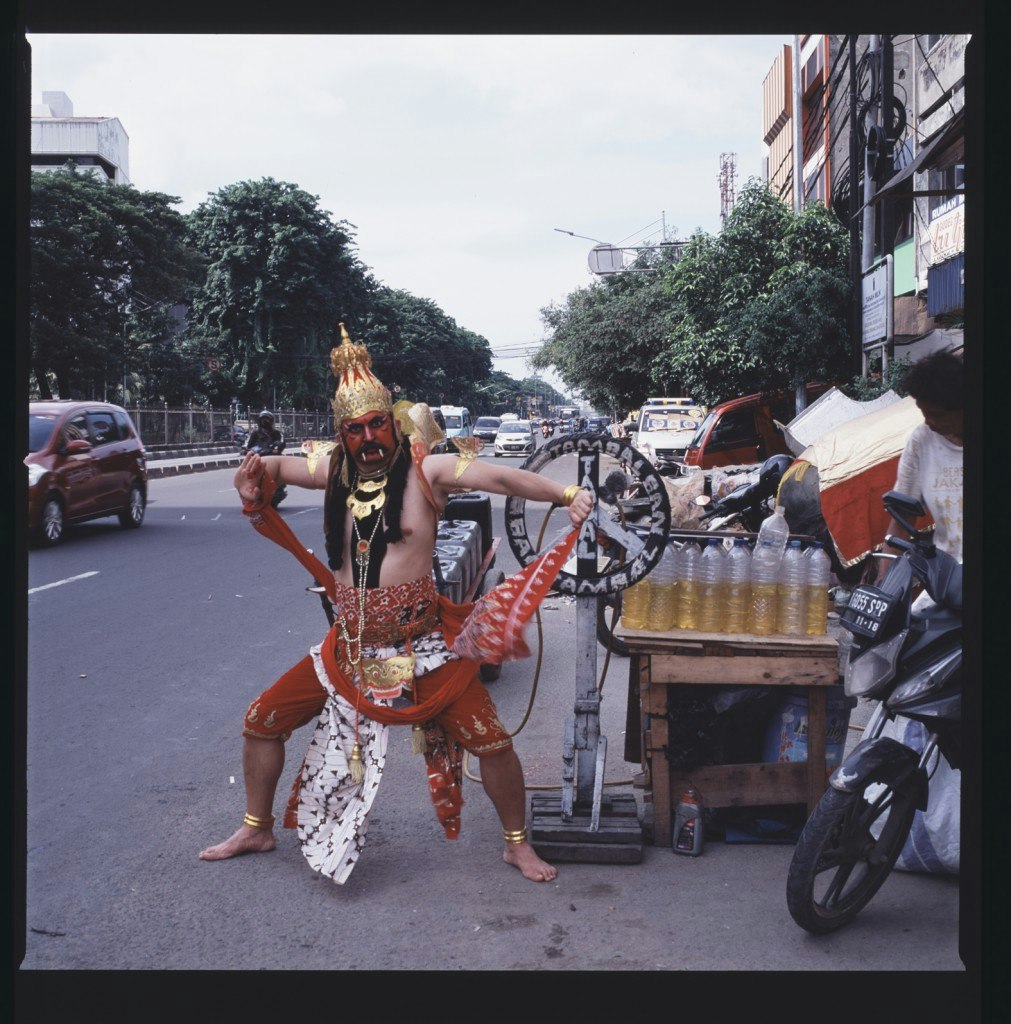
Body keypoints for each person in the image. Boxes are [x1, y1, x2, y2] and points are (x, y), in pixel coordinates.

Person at [200, 324, 593, 884]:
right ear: (343, 431)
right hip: (349, 649)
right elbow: (269, 467)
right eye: (355, 429)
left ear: (392, 421)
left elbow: (501, 476)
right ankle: (257, 827)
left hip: (423, 649)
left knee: (493, 742)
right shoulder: (332, 468)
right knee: (262, 720)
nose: (367, 438)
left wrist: (567, 493)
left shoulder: (426, 472)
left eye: (376, 424)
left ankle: (516, 844)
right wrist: (250, 481)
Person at [877, 348, 963, 576]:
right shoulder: (922, 440)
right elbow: (901, 522)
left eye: (937, 414)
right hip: (947, 580)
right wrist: (884, 591)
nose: (929, 422)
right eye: (923, 412)